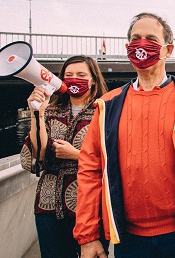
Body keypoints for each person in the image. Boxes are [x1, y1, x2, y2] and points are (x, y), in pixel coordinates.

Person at [74, 13, 175, 258]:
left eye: (151, 38)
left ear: (169, 49)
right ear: (127, 48)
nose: (142, 45)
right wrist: (88, 235)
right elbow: (90, 171)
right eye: (136, 39)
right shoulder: (107, 106)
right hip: (127, 238)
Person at [20, 55, 109, 258]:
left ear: (93, 79)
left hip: (92, 208)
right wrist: (38, 115)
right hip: (49, 206)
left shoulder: (104, 113)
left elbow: (115, 158)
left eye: (81, 75)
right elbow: (36, 157)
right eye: (68, 75)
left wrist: (78, 155)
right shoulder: (51, 112)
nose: (73, 79)